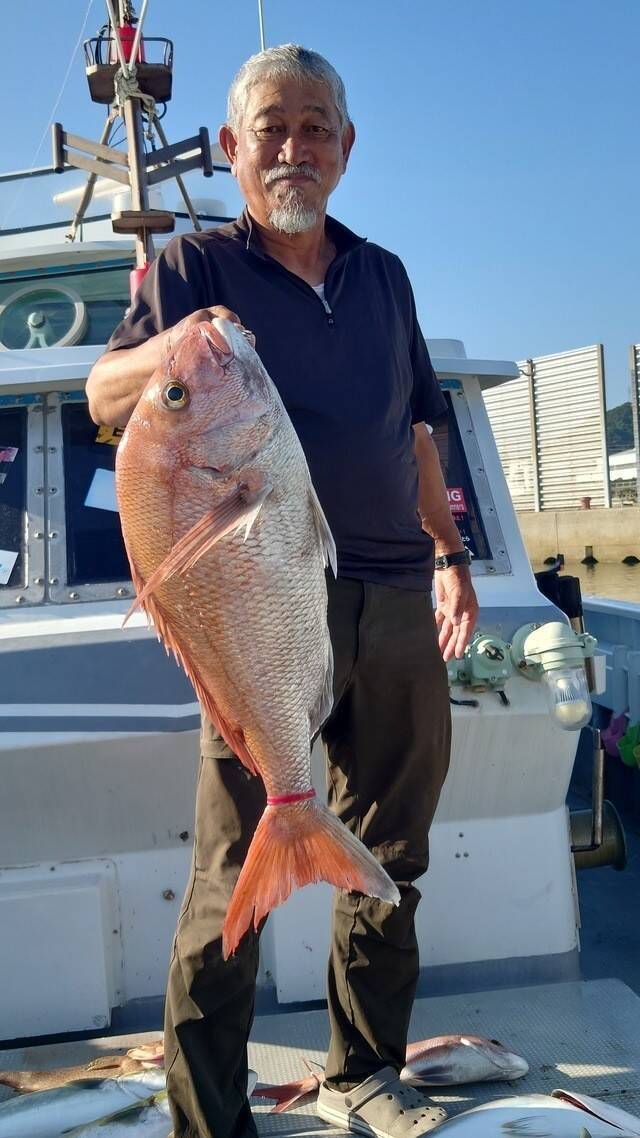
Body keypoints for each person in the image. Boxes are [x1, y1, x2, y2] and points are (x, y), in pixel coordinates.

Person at [87, 44, 479, 1138]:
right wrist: (178, 340)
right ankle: (209, 1117)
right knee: (228, 874)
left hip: (394, 595)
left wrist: (450, 558)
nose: (293, 146)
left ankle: (365, 1071)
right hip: (261, 603)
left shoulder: (384, 274)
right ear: (231, 148)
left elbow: (415, 435)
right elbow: (105, 392)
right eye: (271, 127)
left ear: (346, 150)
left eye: (315, 127)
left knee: (389, 850)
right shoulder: (195, 270)